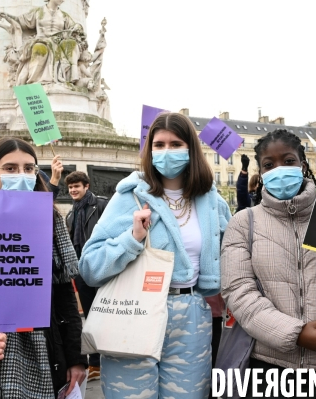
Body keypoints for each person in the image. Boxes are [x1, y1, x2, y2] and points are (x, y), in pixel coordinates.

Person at [79, 112, 231, 399]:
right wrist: (132, 239)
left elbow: (234, 256)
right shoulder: (129, 197)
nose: (166, 151)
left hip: (192, 317)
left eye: (175, 144)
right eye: (158, 145)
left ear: (191, 150)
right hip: (133, 312)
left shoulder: (212, 200)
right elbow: (89, 266)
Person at [221, 129, 316, 398]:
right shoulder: (244, 222)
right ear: (261, 171)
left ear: (302, 165)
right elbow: (238, 293)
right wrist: (296, 333)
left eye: (288, 161)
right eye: (269, 164)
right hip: (267, 368)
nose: (279, 169)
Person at [0, 137, 87, 399]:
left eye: (29, 168)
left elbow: (64, 298)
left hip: (45, 348)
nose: (22, 175)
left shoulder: (49, 221)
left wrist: (76, 357)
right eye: (11, 168)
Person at [64, 170, 108, 381]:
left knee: (108, 314)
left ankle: (112, 357)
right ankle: (96, 363)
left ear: (86, 186)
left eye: (77, 186)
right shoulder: (70, 214)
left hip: (102, 267)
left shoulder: (100, 205)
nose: (73, 190)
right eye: (70, 187)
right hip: (82, 271)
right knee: (90, 316)